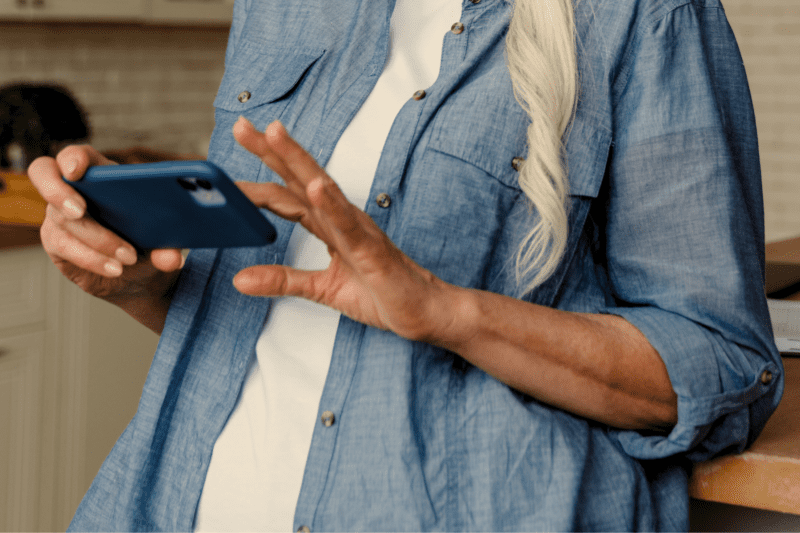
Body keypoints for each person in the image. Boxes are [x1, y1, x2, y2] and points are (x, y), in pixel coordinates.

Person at [28, 0, 782, 530]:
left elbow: (720, 363)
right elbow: (258, 307)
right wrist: (138, 279)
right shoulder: (281, 7)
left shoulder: (645, 16)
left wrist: (449, 312)